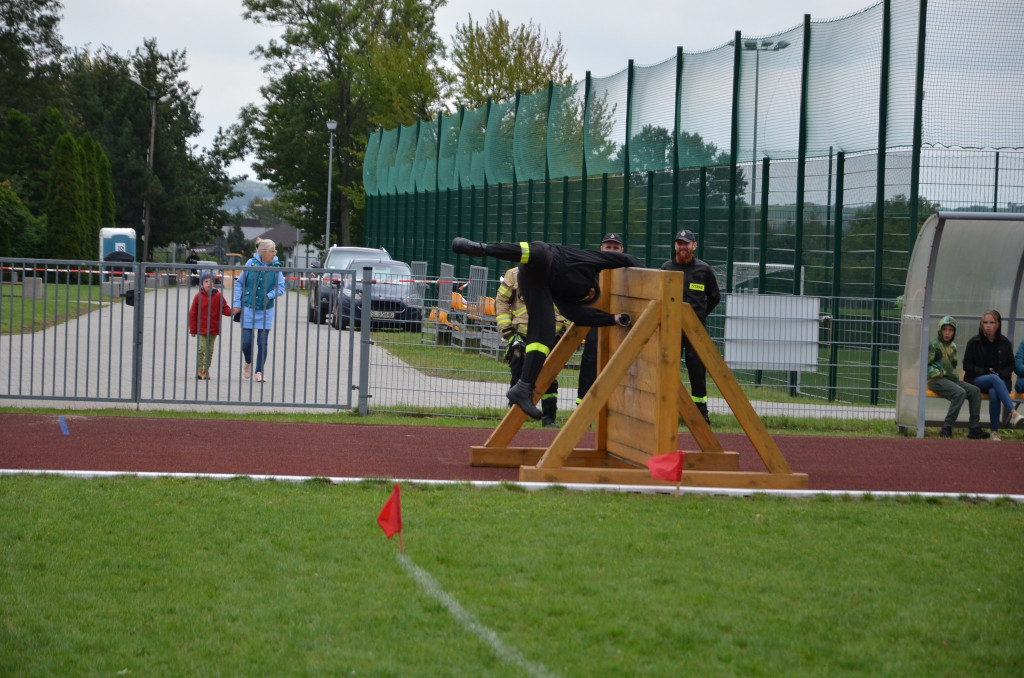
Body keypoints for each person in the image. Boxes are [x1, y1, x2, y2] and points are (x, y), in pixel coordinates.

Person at [452, 237, 640, 420]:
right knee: (537, 252)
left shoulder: (567, 302)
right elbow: (626, 259)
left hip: (536, 283)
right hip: (548, 258)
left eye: (588, 299)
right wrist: (649, 275)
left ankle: (523, 387)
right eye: (590, 294)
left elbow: (583, 317)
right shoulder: (593, 261)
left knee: (544, 334)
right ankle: (482, 248)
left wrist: (613, 319)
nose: (588, 295)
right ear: (593, 286)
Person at [495, 265, 571, 427]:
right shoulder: (514, 274)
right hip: (522, 334)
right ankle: (513, 418)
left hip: (552, 334)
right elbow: (501, 301)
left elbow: (567, 300)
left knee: (549, 376)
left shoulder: (556, 273)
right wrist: (507, 331)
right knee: (519, 375)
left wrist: (564, 326)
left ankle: (549, 419)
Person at [660, 229, 721, 424]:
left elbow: (714, 297)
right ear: (675, 246)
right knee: (668, 367)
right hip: (671, 328)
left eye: (686, 243)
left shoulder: (704, 269)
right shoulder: (666, 268)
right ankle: (667, 409)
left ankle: (700, 412)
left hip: (696, 330)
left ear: (694, 246)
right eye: (679, 243)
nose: (682, 247)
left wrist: (700, 315)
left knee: (697, 369)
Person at [577, 233, 625, 404]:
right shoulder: (591, 269)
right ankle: (582, 405)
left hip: (621, 325)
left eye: (615, 248)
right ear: (602, 249)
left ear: (622, 250)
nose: (611, 251)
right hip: (596, 323)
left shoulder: (629, 271)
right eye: (608, 247)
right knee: (590, 362)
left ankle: (615, 405)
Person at [963, 309, 1024, 440]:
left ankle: (994, 432)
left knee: (994, 391)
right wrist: (985, 371)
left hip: (1000, 382)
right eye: (985, 322)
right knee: (993, 378)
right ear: (981, 324)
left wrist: (1000, 374)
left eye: (992, 322)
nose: (988, 325)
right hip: (977, 381)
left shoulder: (1005, 343)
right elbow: (967, 366)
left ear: (998, 324)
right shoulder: (974, 342)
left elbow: (1011, 365)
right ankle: (1013, 413)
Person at [232, 239, 286, 384]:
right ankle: (248, 361)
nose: (275, 254)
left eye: (275, 251)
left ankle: (259, 371)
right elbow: (240, 284)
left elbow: (281, 287)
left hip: (266, 310)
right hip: (249, 307)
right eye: (272, 251)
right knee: (247, 342)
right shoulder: (251, 263)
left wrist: (269, 296)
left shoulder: (276, 266)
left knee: (262, 343)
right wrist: (237, 304)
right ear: (263, 252)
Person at [925, 315, 986, 439]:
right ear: (940, 330)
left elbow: (953, 366)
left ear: (954, 332)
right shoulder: (934, 345)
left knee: (975, 391)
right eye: (945, 329)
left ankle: (974, 427)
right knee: (960, 393)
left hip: (951, 380)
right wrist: (938, 373)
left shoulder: (953, 346)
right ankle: (947, 427)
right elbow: (926, 366)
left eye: (950, 330)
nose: (947, 333)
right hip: (936, 380)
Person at [188, 271, 232, 380]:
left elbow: (224, 308)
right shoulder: (198, 296)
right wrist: (193, 330)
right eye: (206, 281)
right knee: (201, 348)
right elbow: (193, 314)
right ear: (202, 284)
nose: (209, 283)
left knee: (210, 350)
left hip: (213, 328)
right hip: (201, 328)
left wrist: (233, 312)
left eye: (211, 281)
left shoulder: (218, 296)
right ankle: (199, 370)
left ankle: (206, 370)